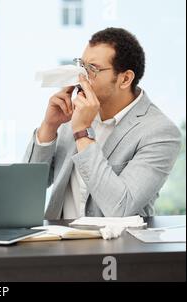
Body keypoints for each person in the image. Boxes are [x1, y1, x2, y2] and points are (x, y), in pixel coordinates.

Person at [24, 27, 181, 219]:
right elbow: (27, 188)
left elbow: (121, 207)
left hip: (117, 246)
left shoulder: (160, 132)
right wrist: (49, 127)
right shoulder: (71, 112)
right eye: (81, 65)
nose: (81, 77)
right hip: (60, 243)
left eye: (91, 69)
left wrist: (82, 133)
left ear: (125, 79)